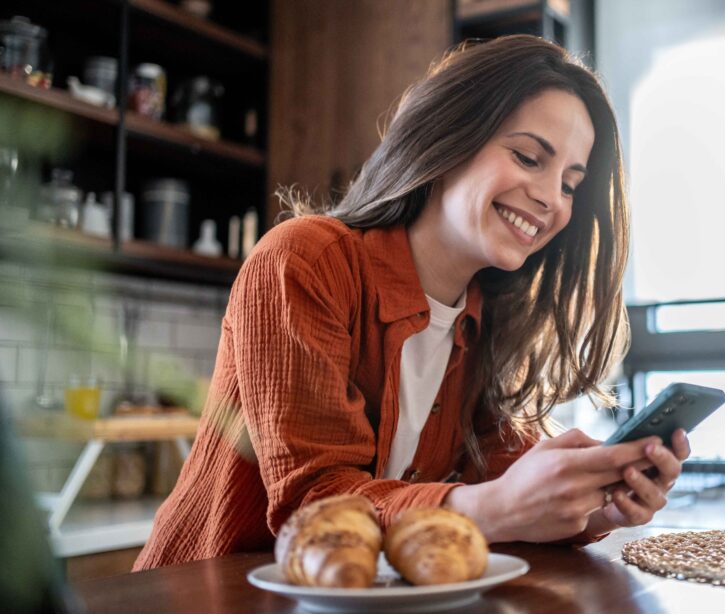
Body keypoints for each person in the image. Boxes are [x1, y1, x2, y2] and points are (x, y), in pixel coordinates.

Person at [134, 34, 690, 571]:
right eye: (527, 157)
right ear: (447, 140)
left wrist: (596, 506)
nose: (550, 198)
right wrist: (495, 507)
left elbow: (508, 485)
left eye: (570, 184)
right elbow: (316, 505)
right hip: (203, 593)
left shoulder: (489, 320)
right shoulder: (302, 262)